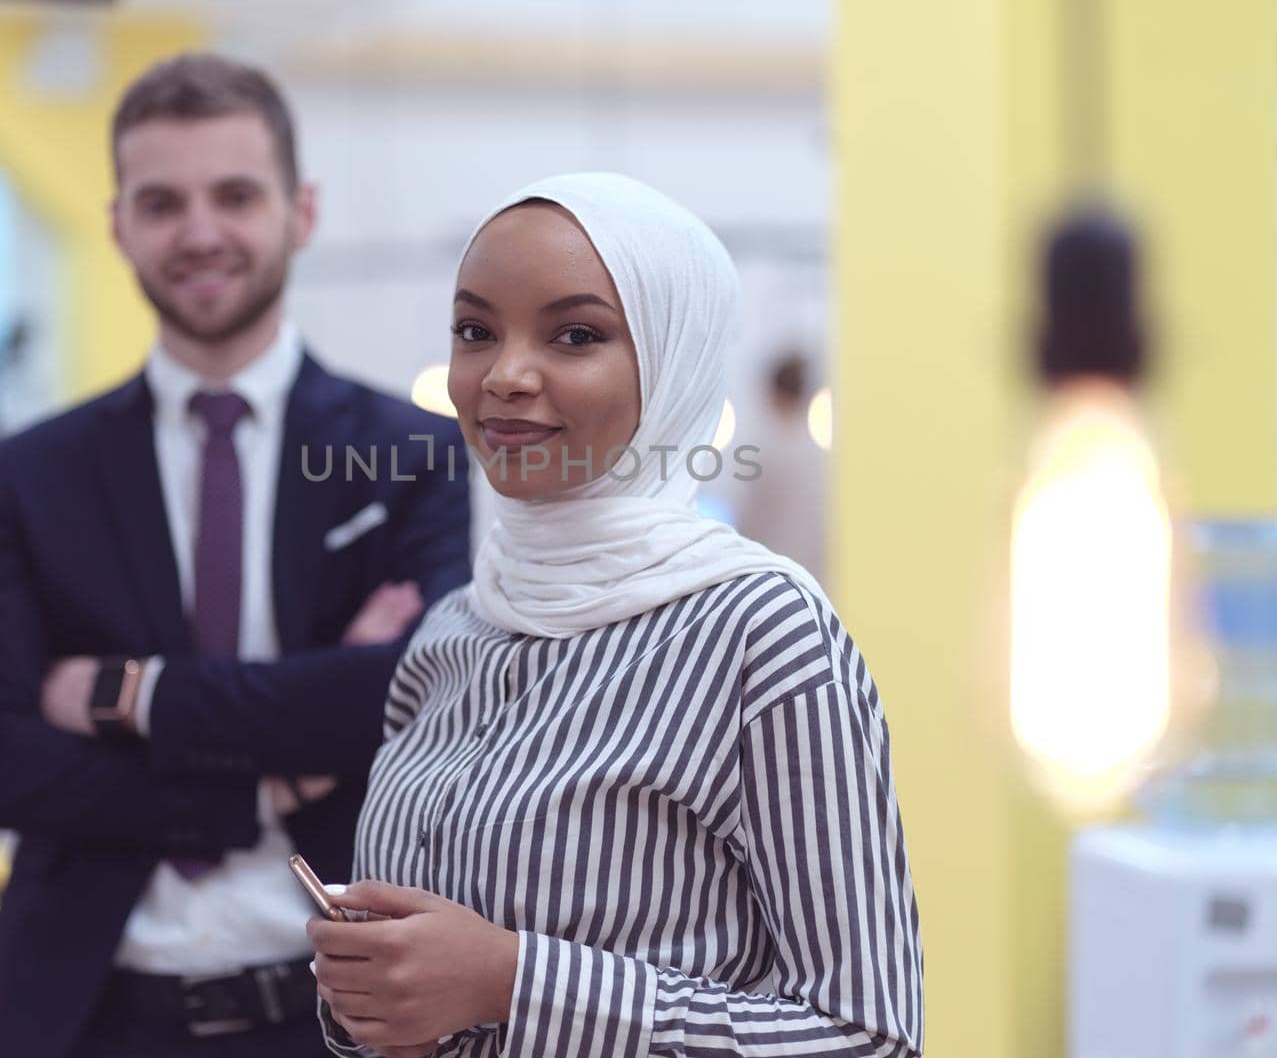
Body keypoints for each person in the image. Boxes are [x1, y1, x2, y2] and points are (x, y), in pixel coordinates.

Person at [308, 174, 925, 1058]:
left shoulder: (758, 631)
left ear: (671, 363)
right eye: (476, 331)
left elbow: (871, 1036)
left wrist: (513, 981)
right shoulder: (453, 632)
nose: (506, 375)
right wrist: (368, 997)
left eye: (576, 335)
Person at [0, 53, 472, 1058]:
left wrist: (131, 699)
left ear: (300, 211)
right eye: (161, 202)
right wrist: (261, 785)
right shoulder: (34, 473)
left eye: (235, 195)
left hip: (338, 1016)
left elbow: (406, 700)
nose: (199, 234)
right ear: (118, 226)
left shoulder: (407, 457)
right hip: (86, 1013)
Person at [733, 352, 829, 578]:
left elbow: (749, 519)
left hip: (772, 571)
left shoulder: (762, 452)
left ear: (774, 392)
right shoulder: (817, 453)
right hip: (816, 573)